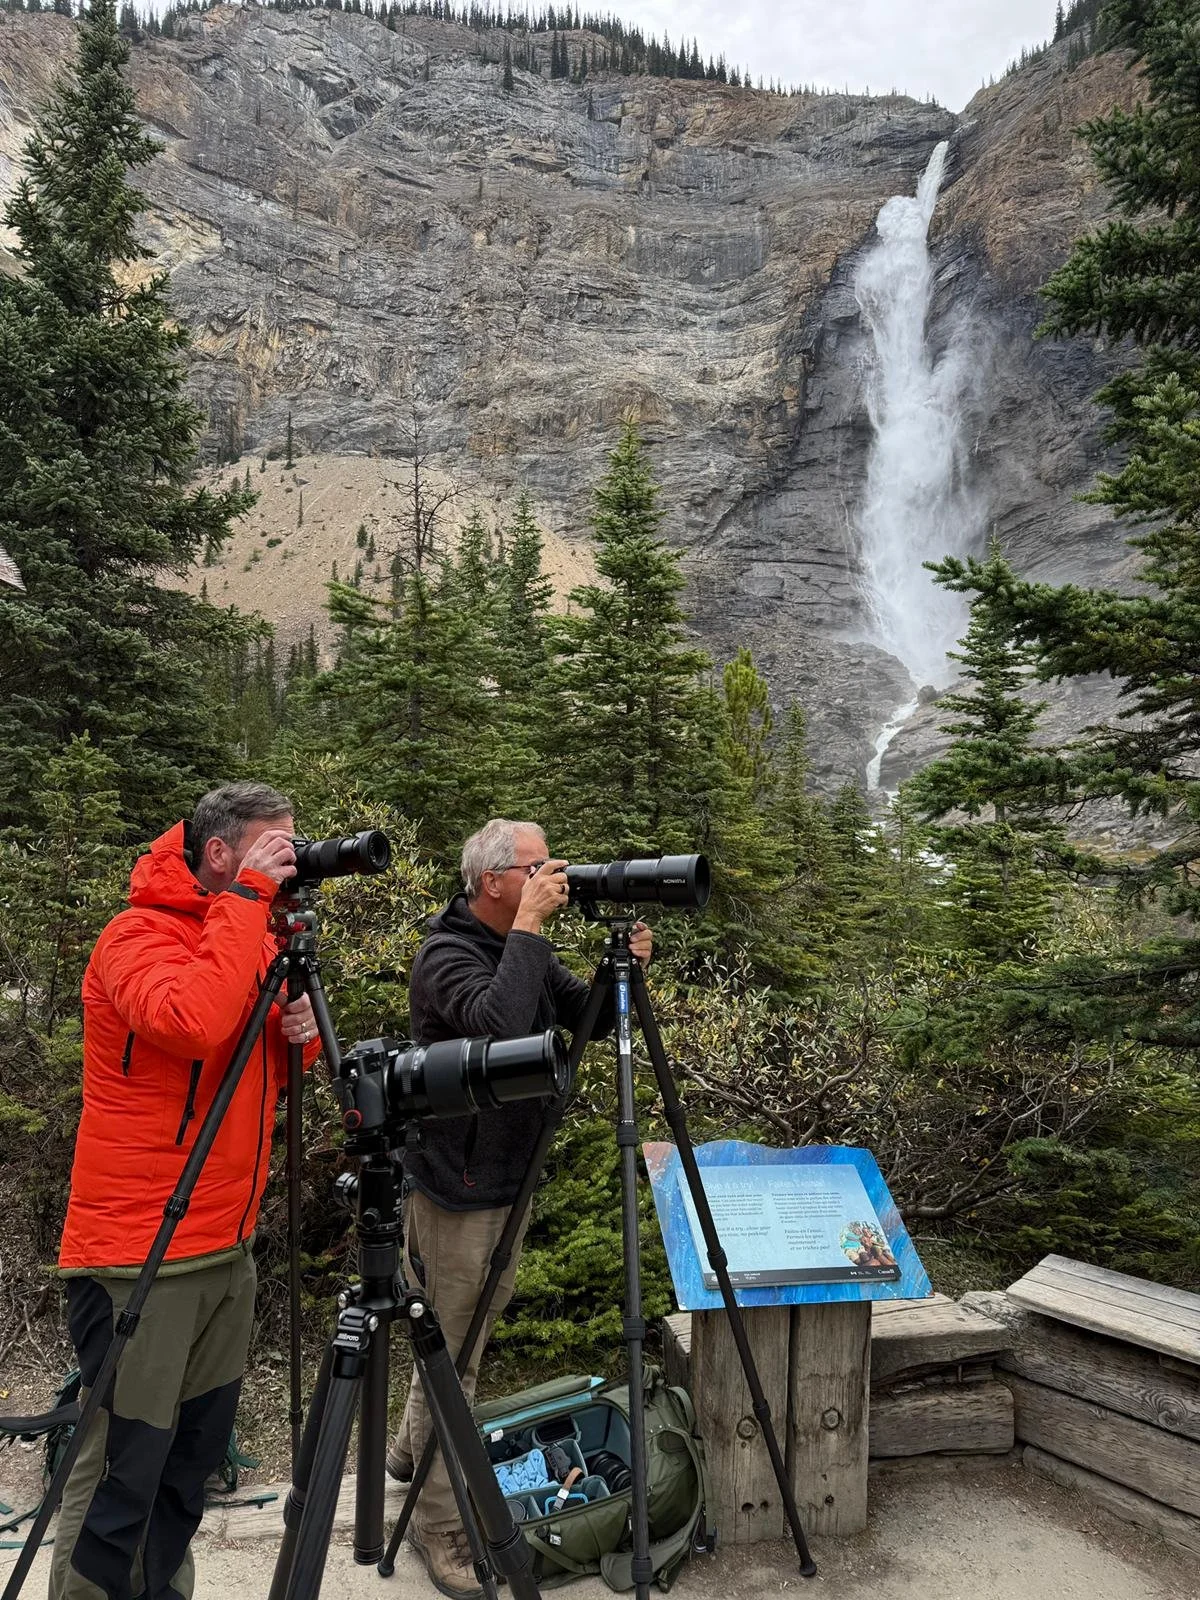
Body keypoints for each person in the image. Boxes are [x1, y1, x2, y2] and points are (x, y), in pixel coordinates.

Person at [50, 781, 323, 1600]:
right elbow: (193, 1023)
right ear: (217, 854)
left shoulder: (241, 935)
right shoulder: (135, 937)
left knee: (186, 1468)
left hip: (223, 1248)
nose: (289, 865)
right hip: (140, 1254)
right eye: (274, 849)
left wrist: (294, 1038)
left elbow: (249, 1078)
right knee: (121, 1473)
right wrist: (247, 904)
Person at [389, 818, 651, 1600]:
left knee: (455, 1339)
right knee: (456, 1362)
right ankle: (442, 1534)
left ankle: (409, 1454)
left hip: (507, 1180)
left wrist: (624, 974)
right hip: (457, 1192)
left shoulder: (520, 950)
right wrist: (532, 929)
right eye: (538, 867)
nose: (554, 874)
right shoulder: (448, 956)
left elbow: (590, 1019)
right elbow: (500, 1030)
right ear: (494, 880)